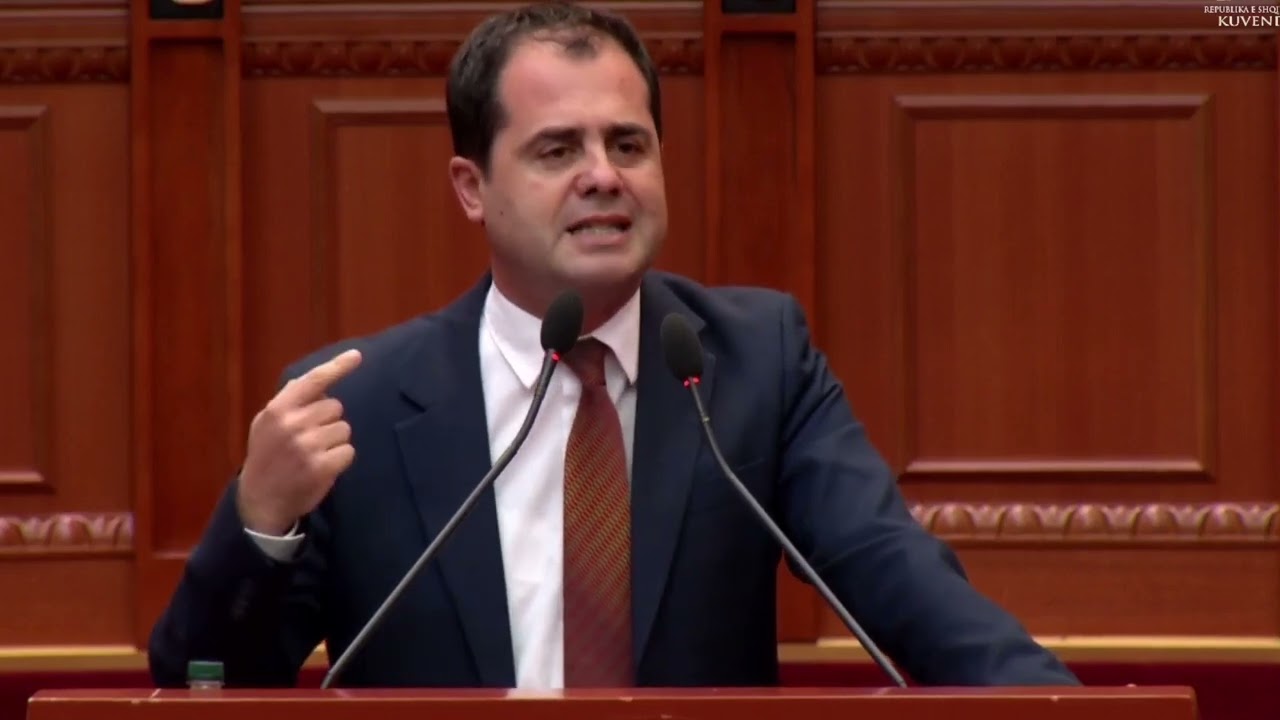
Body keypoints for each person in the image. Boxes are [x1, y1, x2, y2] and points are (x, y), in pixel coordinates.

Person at [148, 1, 1079, 690]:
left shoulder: (755, 365)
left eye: (629, 145)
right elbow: (204, 684)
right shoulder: (356, 404)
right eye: (558, 151)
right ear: (472, 188)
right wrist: (262, 519)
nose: (604, 176)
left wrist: (1056, 708)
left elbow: (902, 583)